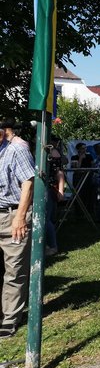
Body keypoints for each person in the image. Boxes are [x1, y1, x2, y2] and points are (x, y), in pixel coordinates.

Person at [0, 121, 35, 339]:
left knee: (14, 269)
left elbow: (28, 183)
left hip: (13, 215)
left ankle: (10, 318)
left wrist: (20, 217)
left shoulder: (17, 149)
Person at [45, 135, 66, 256]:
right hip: (51, 189)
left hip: (50, 189)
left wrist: (60, 190)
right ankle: (49, 245)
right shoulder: (53, 152)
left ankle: (52, 246)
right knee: (49, 218)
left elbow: (59, 173)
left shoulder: (53, 153)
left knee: (46, 219)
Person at [71, 142, 95, 218]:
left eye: (85, 148)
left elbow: (93, 166)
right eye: (82, 148)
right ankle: (78, 213)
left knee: (89, 194)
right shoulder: (74, 157)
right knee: (78, 195)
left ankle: (89, 212)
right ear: (78, 149)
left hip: (88, 178)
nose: (84, 150)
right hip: (78, 178)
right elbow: (75, 168)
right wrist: (80, 158)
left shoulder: (89, 156)